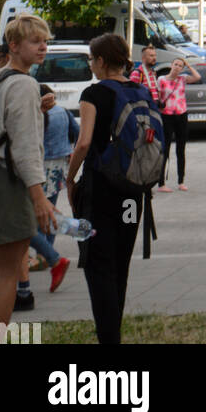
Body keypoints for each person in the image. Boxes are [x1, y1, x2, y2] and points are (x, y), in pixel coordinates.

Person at [65, 32, 156, 344]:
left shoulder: (94, 94)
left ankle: (109, 338)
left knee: (98, 265)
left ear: (101, 61)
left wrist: (69, 178)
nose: (91, 64)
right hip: (133, 195)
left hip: (101, 192)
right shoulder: (142, 90)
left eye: (92, 59)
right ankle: (113, 333)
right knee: (120, 263)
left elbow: (84, 142)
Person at [0, 15, 58, 324]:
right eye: (35, 41)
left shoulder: (1, 78)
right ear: (14, 46)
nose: (43, 47)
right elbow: (24, 148)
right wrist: (38, 196)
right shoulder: (23, 84)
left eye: (45, 41)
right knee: (7, 272)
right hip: (8, 183)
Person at [27, 89, 78, 295]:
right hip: (59, 167)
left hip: (41, 167)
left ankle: (48, 255)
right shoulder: (64, 112)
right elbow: (76, 132)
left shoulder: (39, 115)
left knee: (36, 215)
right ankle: (49, 252)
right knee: (50, 210)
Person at [157, 56, 201, 191]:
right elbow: (158, 97)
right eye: (175, 64)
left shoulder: (183, 79)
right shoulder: (162, 79)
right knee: (165, 149)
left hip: (181, 114)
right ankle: (161, 183)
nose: (177, 67)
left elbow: (197, 77)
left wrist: (188, 65)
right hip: (167, 116)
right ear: (171, 65)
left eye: (180, 66)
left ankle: (181, 181)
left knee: (181, 149)